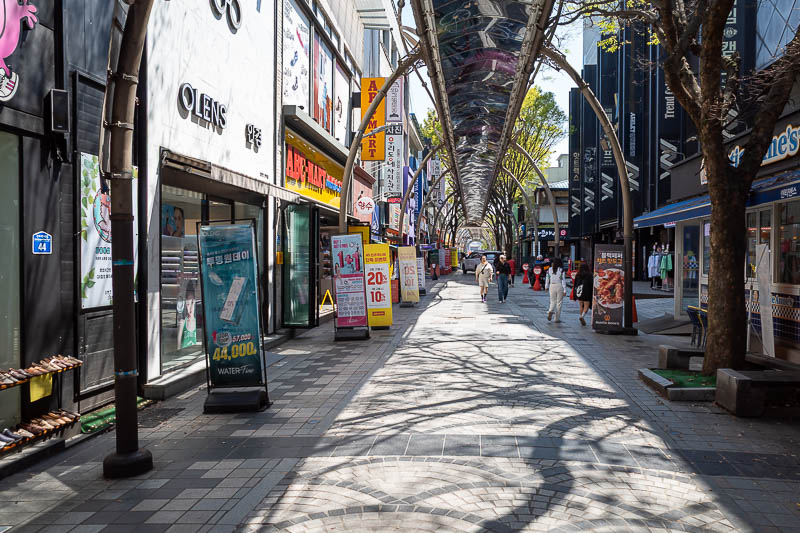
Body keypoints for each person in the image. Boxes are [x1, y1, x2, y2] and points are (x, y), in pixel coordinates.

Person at [545, 257, 567, 322]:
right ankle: (556, 318)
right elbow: (563, 280)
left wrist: (546, 286)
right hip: (559, 285)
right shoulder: (561, 270)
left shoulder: (549, 269)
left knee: (552, 301)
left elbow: (547, 278)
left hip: (552, 285)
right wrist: (565, 290)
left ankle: (550, 310)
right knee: (559, 303)